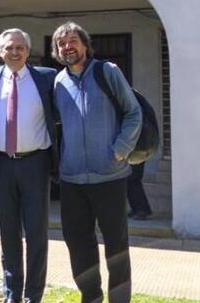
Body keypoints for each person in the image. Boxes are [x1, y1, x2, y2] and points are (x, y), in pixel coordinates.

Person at [51, 22, 142, 303]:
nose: (68, 46)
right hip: (72, 179)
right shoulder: (58, 82)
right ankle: (90, 297)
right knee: (78, 244)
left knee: (116, 246)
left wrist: (120, 149)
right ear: (57, 51)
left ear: (85, 45)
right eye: (61, 43)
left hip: (110, 176)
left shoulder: (107, 72)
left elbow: (133, 112)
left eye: (73, 40)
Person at [0, 29, 58, 303]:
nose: (14, 52)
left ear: (28, 51)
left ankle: (33, 295)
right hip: (0, 164)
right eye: (9, 47)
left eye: (20, 47)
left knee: (36, 232)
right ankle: (12, 293)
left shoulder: (46, 77)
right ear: (0, 51)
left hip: (36, 163)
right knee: (8, 232)